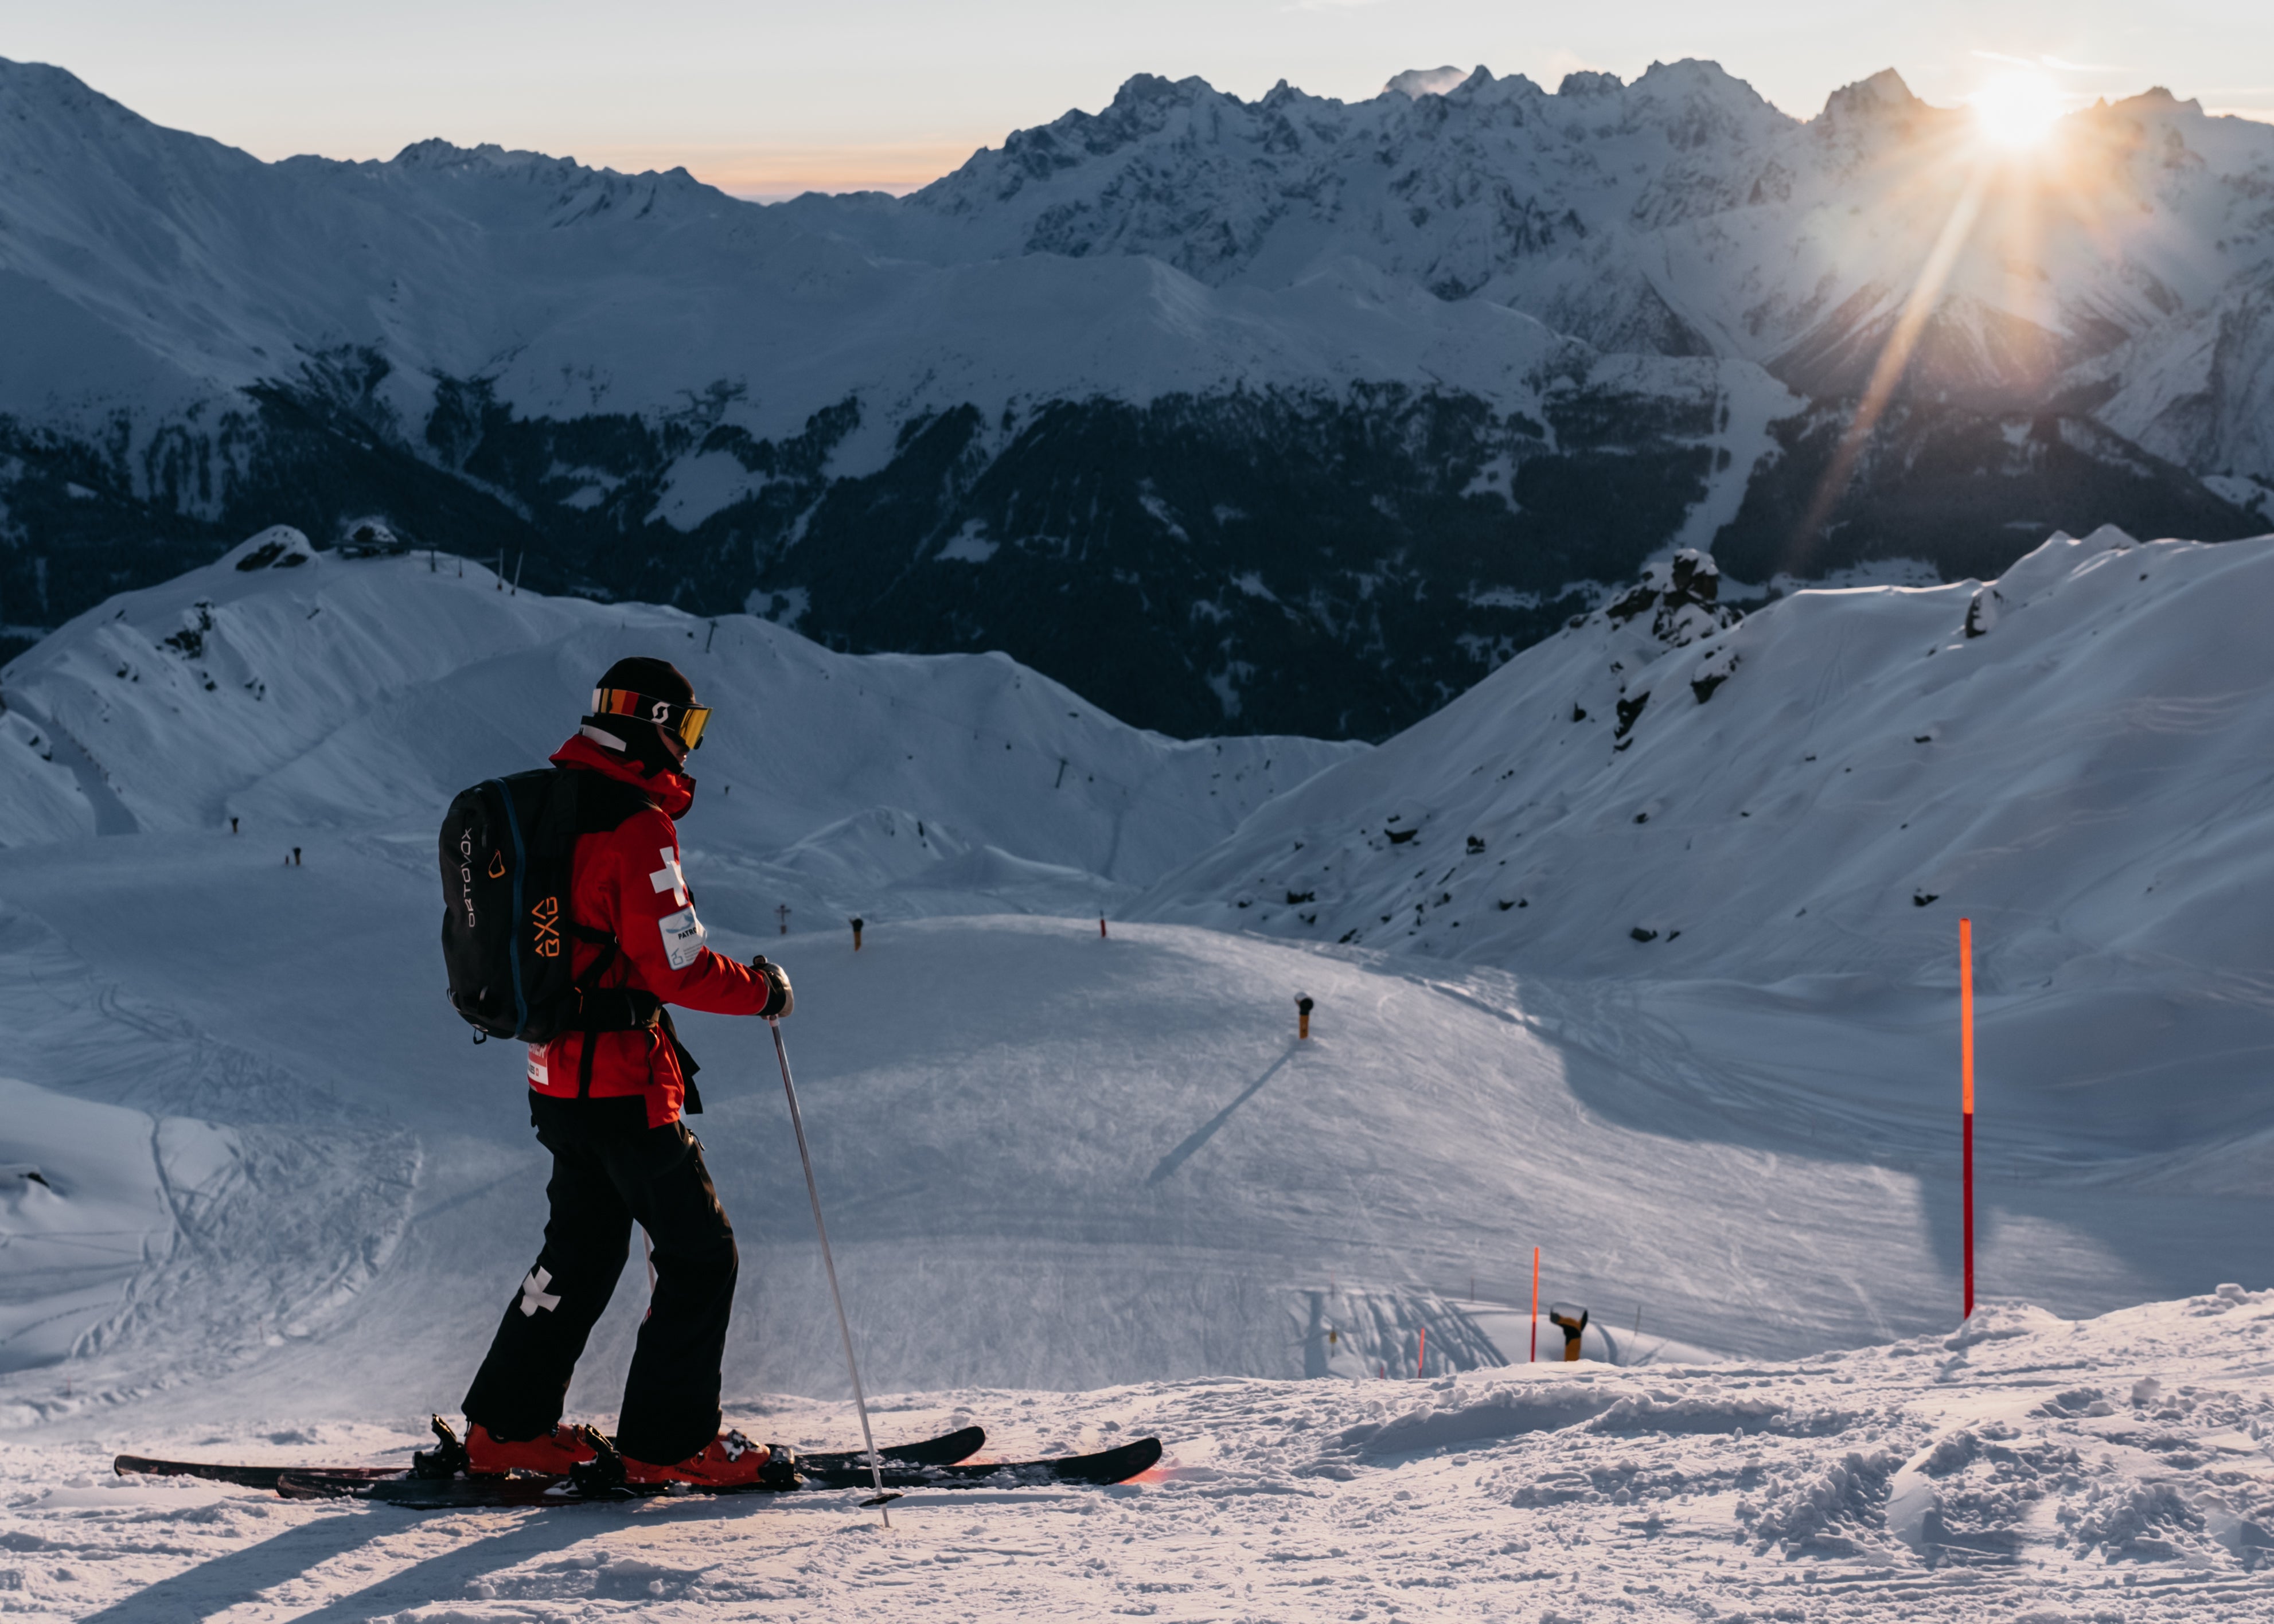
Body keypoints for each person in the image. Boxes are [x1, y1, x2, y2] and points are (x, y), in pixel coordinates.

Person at [458, 658, 794, 1486]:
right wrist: (763, 993)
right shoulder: (635, 825)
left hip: (555, 1080)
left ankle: (507, 1429)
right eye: (685, 729)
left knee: (579, 1251)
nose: (688, 748)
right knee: (699, 1254)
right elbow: (675, 967)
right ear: (653, 724)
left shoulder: (550, 804)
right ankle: (668, 1444)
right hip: (622, 1088)